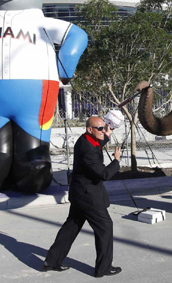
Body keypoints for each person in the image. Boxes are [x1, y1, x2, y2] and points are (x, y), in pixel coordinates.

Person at [43, 115, 122, 278]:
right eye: (99, 128)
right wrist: (116, 161)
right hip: (89, 197)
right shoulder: (88, 151)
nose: (103, 130)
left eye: (104, 126)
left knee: (71, 227)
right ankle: (103, 268)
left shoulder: (85, 140)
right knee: (105, 227)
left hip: (80, 194)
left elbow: (97, 142)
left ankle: (52, 261)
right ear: (89, 129)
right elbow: (104, 174)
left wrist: (107, 134)